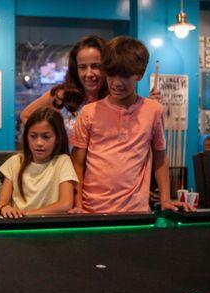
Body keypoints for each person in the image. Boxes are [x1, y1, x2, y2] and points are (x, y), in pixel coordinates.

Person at [70, 36, 192, 214]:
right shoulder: (89, 112)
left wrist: (165, 199)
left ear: (140, 74)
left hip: (136, 210)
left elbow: (160, 158)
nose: (117, 83)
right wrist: (77, 205)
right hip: (91, 211)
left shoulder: (154, 111)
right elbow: (77, 164)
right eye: (111, 75)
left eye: (125, 76)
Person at [20, 35, 161, 135]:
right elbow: (26, 116)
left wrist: (149, 109)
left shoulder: (117, 98)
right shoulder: (62, 95)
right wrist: (52, 143)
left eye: (95, 66)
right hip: (67, 174)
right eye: (82, 67)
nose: (89, 74)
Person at [0, 107, 78, 218]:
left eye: (46, 137)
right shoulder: (15, 162)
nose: (39, 143)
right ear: (26, 137)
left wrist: (26, 215)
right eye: (33, 136)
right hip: (18, 226)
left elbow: (65, 204)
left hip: (47, 227)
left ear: (58, 138)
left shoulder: (62, 161)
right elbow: (1, 202)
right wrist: (4, 207)